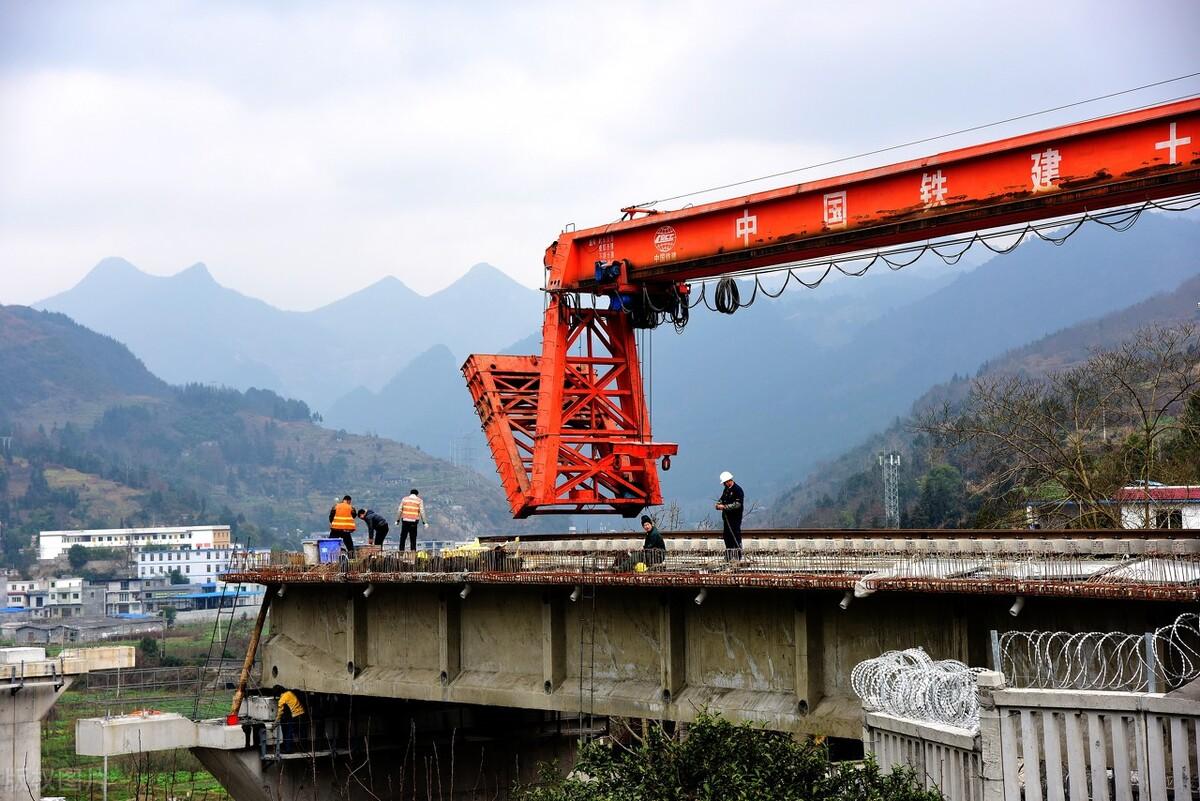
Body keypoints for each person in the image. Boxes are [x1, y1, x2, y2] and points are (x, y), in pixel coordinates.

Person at [716, 471, 744, 557]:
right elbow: (722, 499)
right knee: (727, 537)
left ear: (728, 481)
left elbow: (737, 504)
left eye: (725, 483)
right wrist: (718, 504)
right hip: (727, 518)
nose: (724, 484)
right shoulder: (726, 490)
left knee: (735, 535)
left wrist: (724, 507)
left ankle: (737, 556)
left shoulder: (737, 490)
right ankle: (728, 556)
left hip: (735, 518)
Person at [276, 688, 306, 754]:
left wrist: (276, 720)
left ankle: (288, 749)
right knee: (302, 731)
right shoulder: (289, 693)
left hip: (295, 715)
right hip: (301, 713)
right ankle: (304, 749)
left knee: (289, 732)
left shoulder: (282, 699)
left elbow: (280, 711)